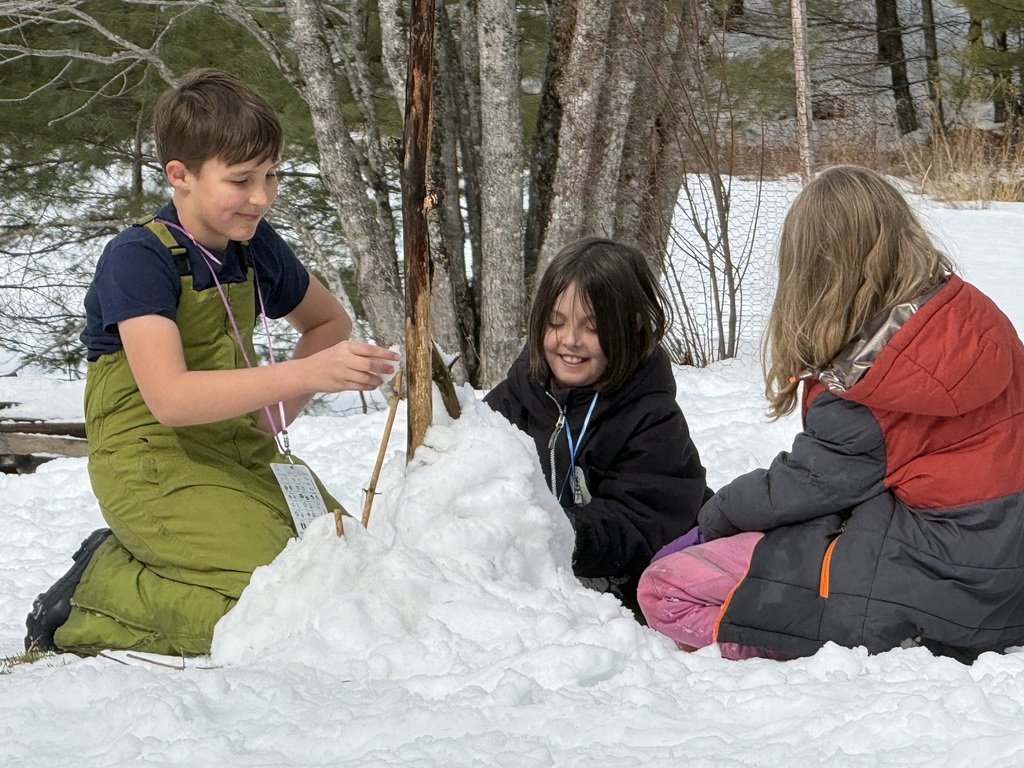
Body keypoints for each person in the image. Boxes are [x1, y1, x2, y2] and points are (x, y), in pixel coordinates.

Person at [24, 69, 400, 656]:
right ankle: (92, 592)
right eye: (241, 179)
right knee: (271, 605)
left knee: (350, 566)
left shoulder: (252, 242)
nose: (262, 196)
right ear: (180, 175)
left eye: (271, 175)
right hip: (152, 462)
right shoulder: (138, 258)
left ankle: (181, 552)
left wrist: (268, 421)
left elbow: (329, 324)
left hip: (235, 450)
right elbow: (170, 400)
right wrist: (307, 374)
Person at [638, 165, 1024, 663]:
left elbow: (806, 485)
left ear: (814, 272)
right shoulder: (969, 315)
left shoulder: (871, 383)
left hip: (945, 578)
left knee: (665, 589)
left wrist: (712, 519)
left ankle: (781, 640)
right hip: (1008, 567)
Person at [485, 237, 712, 618]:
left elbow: (642, 522)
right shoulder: (518, 395)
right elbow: (473, 462)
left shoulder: (651, 416)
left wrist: (560, 532)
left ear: (631, 327)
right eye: (556, 323)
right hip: (549, 575)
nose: (570, 341)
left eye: (591, 328)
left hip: (630, 588)